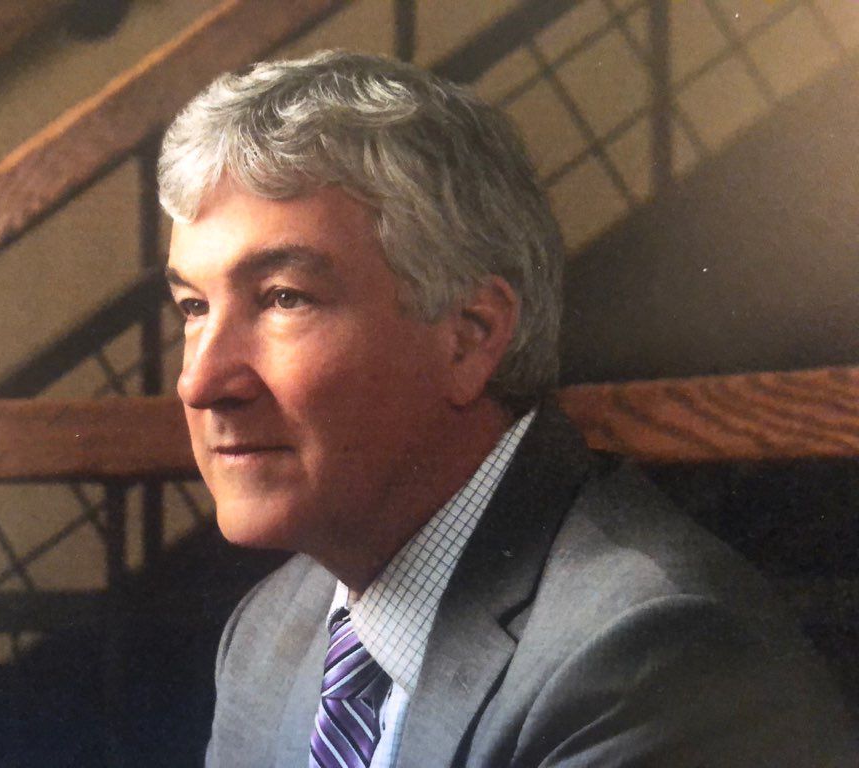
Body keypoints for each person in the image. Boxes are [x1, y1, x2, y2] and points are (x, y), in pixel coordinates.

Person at [157, 51, 854, 767]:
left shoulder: (650, 655)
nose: (200, 382)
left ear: (470, 336)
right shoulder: (269, 632)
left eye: (283, 299)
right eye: (194, 307)